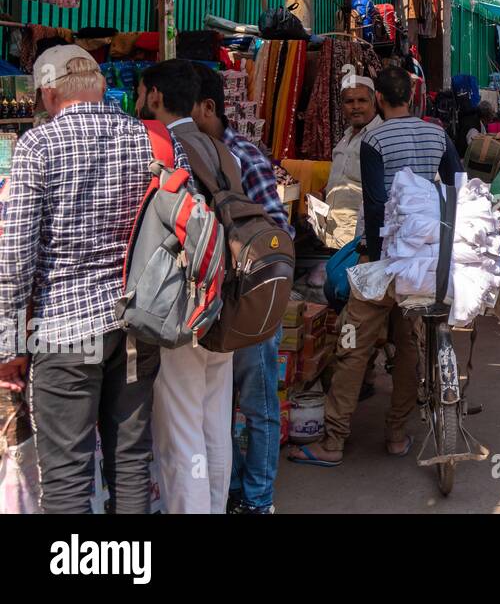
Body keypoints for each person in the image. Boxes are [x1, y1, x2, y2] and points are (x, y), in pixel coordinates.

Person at [0, 46, 165, 513]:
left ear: (49, 93)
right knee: (130, 461)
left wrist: (9, 344)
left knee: (68, 476)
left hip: (64, 332)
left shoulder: (38, 145)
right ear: (96, 84)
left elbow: (14, 257)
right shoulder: (146, 138)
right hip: (136, 324)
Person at [288, 67, 462, 468]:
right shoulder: (438, 134)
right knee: (407, 349)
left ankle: (333, 441)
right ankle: (397, 435)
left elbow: (375, 201)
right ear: (413, 98)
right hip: (421, 263)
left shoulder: (375, 138)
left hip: (383, 259)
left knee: (352, 346)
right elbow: (457, 186)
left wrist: (370, 255)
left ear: (380, 100)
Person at [138, 59, 242, 515]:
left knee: (180, 430)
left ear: (155, 95)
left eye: (141, 92)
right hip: (227, 299)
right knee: (213, 420)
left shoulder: (158, 147)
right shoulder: (222, 149)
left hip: (183, 304)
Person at [192, 65, 293, 514]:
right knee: (220, 406)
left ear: (208, 108)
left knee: (257, 405)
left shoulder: (242, 157)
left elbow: (278, 230)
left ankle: (257, 500)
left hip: (249, 299)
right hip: (212, 305)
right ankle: (230, 490)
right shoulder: (187, 155)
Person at [320, 77, 383, 249]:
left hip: (359, 238)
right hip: (333, 234)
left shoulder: (379, 137)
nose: (355, 106)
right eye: (349, 101)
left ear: (374, 103)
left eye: (362, 100)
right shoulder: (345, 138)